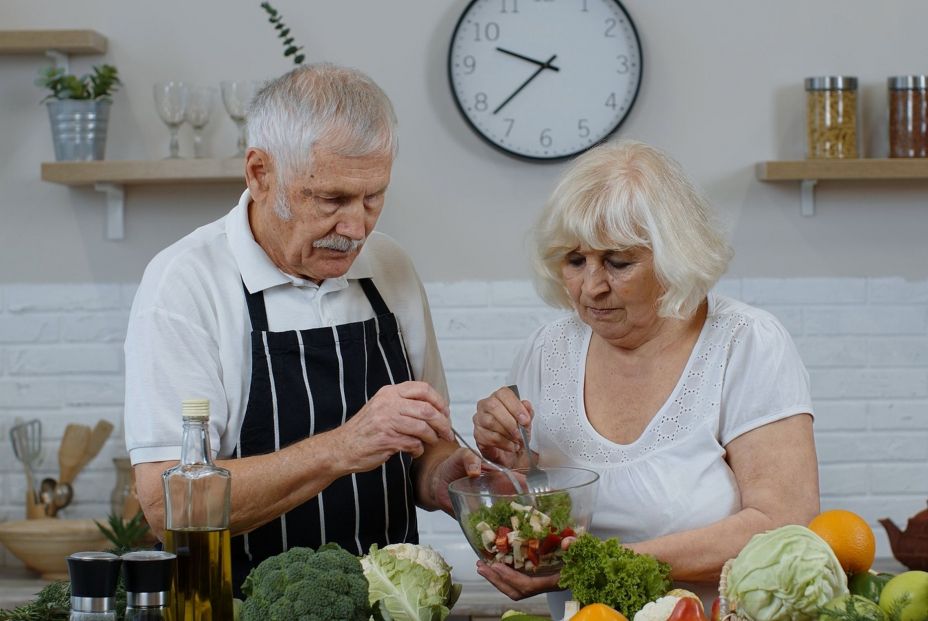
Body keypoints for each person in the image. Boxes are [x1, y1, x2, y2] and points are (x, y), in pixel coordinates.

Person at [123, 63, 479, 593]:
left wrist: (456, 482)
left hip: (388, 605)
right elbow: (166, 506)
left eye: (373, 197)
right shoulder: (186, 284)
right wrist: (342, 447)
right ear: (260, 174)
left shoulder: (391, 268)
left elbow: (425, 449)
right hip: (237, 605)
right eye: (331, 199)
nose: (356, 228)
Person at [471, 140, 819, 617]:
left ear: (675, 257)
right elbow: (531, 518)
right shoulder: (545, 350)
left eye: (618, 262)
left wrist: (600, 564)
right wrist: (510, 462)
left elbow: (782, 522)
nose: (592, 287)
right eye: (575, 261)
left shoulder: (746, 343)